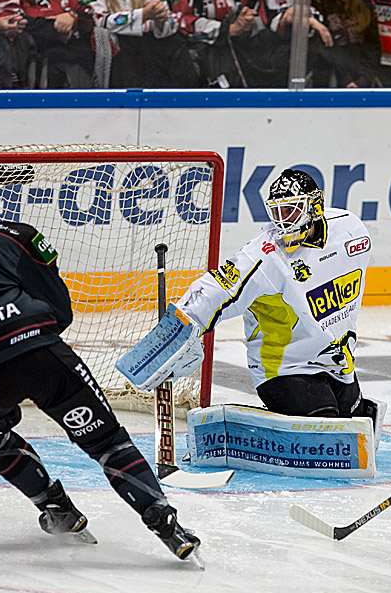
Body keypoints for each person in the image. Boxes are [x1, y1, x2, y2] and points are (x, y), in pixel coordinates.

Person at [0, 182, 200, 561]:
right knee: (107, 443)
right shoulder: (17, 234)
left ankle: (55, 507)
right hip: (33, 354)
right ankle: (165, 523)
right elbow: (59, 308)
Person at [127, 169, 378, 425]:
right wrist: (171, 336)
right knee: (328, 430)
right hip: (284, 369)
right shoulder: (265, 254)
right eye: (277, 212)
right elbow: (216, 289)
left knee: (358, 424)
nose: (283, 221)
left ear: (314, 207)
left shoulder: (351, 231)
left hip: (338, 365)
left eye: (291, 210)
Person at [75, 0, 193, 88]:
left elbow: (172, 20)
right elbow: (101, 21)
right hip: (116, 49)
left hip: (150, 46)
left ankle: (190, 98)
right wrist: (143, 15)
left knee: (176, 44)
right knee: (130, 48)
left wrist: (160, 20)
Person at [13, 0, 94, 88]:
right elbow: (10, 20)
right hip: (28, 55)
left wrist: (73, 19)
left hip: (69, 53)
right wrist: (55, 27)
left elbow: (91, 14)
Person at [309, 0, 382, 87]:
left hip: (361, 78)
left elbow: (372, 46)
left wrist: (365, 79)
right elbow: (320, 45)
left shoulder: (363, 3)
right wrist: (345, 78)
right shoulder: (317, 0)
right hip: (328, 77)